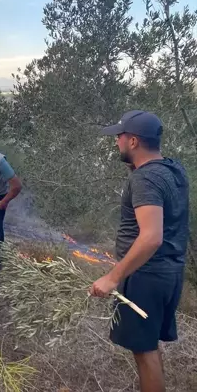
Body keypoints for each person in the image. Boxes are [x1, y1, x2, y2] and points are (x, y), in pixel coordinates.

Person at [90, 110, 189, 392]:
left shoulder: (145, 180)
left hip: (146, 275)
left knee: (144, 353)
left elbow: (151, 238)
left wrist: (112, 277)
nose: (116, 142)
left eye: (119, 137)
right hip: (169, 272)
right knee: (148, 347)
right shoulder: (172, 169)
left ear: (133, 141)